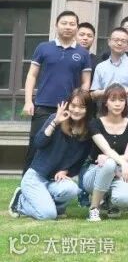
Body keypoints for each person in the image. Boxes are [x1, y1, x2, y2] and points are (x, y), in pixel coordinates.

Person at [22, 10, 92, 175]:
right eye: (64, 23)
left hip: (70, 109)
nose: (68, 27)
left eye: (72, 24)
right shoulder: (43, 48)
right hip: (43, 106)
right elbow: (32, 75)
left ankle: (53, 182)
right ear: (56, 25)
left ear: (76, 27)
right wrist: (28, 101)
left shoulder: (83, 53)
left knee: (62, 148)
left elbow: (86, 82)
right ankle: (25, 183)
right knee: (36, 145)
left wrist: (79, 104)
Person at [9, 90, 91, 220]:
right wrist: (55, 122)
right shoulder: (55, 118)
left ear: (88, 109)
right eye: (73, 105)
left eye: (82, 107)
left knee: (72, 189)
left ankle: (55, 208)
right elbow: (38, 142)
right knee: (48, 215)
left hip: (55, 181)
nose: (76, 110)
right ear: (68, 105)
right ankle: (20, 202)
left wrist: (66, 171)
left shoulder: (87, 133)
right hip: (36, 177)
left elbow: (80, 162)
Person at [89, 27, 128, 209]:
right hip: (105, 112)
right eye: (116, 39)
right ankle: (103, 195)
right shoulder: (101, 67)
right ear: (109, 41)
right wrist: (110, 94)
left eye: (123, 40)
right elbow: (93, 92)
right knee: (103, 153)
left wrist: (120, 92)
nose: (120, 43)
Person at [82, 84, 128, 221]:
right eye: (113, 100)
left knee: (124, 199)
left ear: (126, 103)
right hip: (95, 172)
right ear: (106, 102)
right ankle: (94, 208)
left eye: (121, 100)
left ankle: (110, 203)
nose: (117, 104)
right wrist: (121, 163)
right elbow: (106, 149)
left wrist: (119, 162)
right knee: (109, 164)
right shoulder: (95, 123)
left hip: (119, 173)